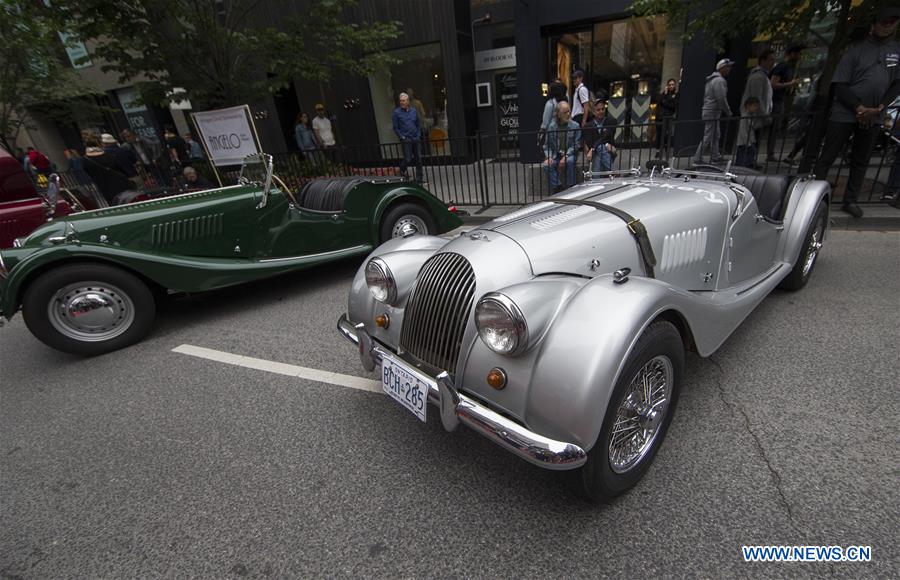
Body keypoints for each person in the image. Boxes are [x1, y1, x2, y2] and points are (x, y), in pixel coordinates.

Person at [814, 8, 900, 218]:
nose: (887, 26)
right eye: (883, 22)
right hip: (845, 112)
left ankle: (850, 201)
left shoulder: (896, 51)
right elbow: (840, 84)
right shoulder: (856, 50)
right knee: (828, 155)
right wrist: (859, 108)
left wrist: (879, 108)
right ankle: (814, 199)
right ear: (874, 25)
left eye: (891, 22)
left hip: (875, 114)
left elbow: (896, 83)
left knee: (860, 160)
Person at [767, 44, 805, 162]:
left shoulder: (790, 67)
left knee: (775, 128)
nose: (800, 56)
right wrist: (790, 84)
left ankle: (770, 153)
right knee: (772, 128)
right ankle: (769, 153)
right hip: (775, 101)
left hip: (780, 100)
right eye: (799, 53)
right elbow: (773, 84)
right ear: (792, 54)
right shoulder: (782, 66)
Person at [692, 58, 734, 165]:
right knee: (709, 135)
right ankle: (698, 158)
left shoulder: (712, 80)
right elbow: (721, 98)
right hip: (712, 111)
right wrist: (728, 111)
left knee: (715, 134)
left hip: (711, 110)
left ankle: (715, 156)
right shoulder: (719, 81)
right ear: (722, 68)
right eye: (728, 67)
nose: (730, 69)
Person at [81, 134, 133, 205]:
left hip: (106, 191)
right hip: (122, 187)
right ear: (100, 142)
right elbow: (122, 170)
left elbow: (89, 173)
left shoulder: (85, 160)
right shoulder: (109, 156)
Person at [543, 101, 581, 193]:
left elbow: (576, 145)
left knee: (570, 161)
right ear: (558, 115)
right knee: (547, 165)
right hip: (556, 154)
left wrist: (566, 156)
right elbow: (547, 145)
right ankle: (557, 187)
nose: (568, 114)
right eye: (565, 112)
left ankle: (571, 187)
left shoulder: (575, 126)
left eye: (569, 111)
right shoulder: (552, 127)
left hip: (570, 153)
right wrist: (549, 157)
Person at [392, 92, 425, 183]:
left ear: (408, 101)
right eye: (400, 101)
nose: (401, 102)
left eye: (403, 101)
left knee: (419, 159)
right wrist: (402, 137)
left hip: (415, 138)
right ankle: (401, 171)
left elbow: (418, 124)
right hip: (406, 139)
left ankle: (419, 179)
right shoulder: (396, 113)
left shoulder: (413, 111)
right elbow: (395, 127)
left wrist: (418, 135)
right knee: (408, 159)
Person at [583, 97, 617, 173]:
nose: (601, 111)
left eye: (603, 109)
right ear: (593, 112)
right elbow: (590, 142)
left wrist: (593, 149)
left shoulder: (611, 121)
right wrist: (605, 144)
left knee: (600, 149)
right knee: (599, 151)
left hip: (609, 151)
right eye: (598, 110)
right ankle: (612, 173)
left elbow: (606, 136)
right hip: (594, 153)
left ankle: (596, 181)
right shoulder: (588, 126)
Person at [735, 97, 763, 168]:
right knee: (744, 155)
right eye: (754, 106)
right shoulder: (744, 117)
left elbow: (754, 126)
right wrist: (748, 143)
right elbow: (743, 130)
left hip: (749, 140)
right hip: (744, 141)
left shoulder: (750, 116)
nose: (756, 108)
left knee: (750, 152)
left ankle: (748, 164)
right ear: (748, 106)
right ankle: (744, 166)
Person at [540, 79, 567, 145]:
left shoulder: (550, 103)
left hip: (552, 132)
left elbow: (545, 122)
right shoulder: (565, 101)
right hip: (564, 130)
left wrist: (540, 135)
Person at [656, 79, 679, 156]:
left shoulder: (676, 94)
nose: (671, 86)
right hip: (660, 117)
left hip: (668, 117)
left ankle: (667, 150)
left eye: (673, 84)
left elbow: (672, 105)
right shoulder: (665, 93)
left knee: (667, 135)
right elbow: (659, 101)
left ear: (675, 85)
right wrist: (665, 95)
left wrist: (665, 102)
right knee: (659, 134)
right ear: (667, 86)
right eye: (670, 85)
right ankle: (658, 151)